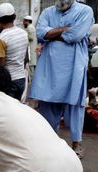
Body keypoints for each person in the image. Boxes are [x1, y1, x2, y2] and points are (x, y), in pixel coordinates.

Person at [29, 0, 94, 158]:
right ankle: (49, 143)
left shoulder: (85, 11)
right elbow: (40, 33)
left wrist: (51, 34)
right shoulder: (47, 12)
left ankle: (76, 144)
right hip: (49, 67)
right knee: (47, 103)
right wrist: (65, 29)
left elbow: (76, 35)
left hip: (74, 66)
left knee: (75, 105)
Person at [0, 3, 28, 101]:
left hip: (9, 81)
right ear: (15, 17)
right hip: (21, 79)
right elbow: (25, 59)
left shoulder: (1, 38)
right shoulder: (24, 34)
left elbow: (1, 66)